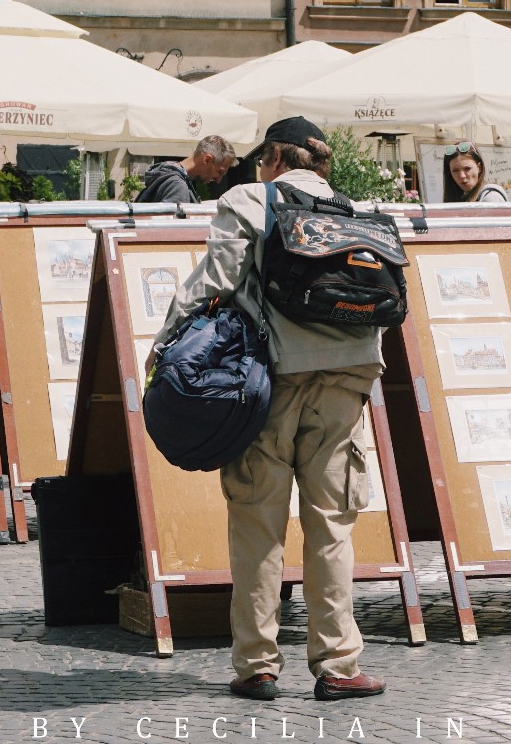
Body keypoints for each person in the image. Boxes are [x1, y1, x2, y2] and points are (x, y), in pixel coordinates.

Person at [152, 115, 389, 704]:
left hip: (271, 380)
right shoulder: (356, 209)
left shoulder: (248, 200)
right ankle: (338, 665)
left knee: (258, 522)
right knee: (331, 525)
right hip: (348, 379)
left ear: (277, 160)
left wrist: (162, 346)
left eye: (262, 159)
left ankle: (257, 664)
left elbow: (214, 281)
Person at [139, 136, 239, 205]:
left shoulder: (166, 173)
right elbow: (174, 232)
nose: (218, 180)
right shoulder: (178, 186)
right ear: (207, 159)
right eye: (220, 172)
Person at [443, 144, 511, 204]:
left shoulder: (490, 197)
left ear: (479, 167)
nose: (462, 176)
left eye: (467, 169)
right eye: (455, 170)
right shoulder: (461, 199)